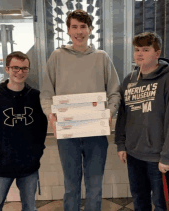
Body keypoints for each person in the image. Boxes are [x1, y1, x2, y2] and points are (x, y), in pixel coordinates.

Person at [40, 9, 121, 211]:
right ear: (68, 30)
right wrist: (51, 114)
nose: (79, 31)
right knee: (71, 186)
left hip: (96, 133)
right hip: (67, 133)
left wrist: (109, 112)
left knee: (94, 186)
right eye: (74, 27)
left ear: (90, 30)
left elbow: (115, 93)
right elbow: (46, 94)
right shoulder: (57, 57)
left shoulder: (102, 57)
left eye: (83, 27)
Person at [115, 32, 169, 211]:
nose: (139, 54)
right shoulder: (129, 80)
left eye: (146, 50)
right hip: (133, 155)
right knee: (139, 201)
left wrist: (167, 156)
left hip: (158, 158)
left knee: (161, 203)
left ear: (157, 53)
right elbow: (123, 116)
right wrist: (121, 144)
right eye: (137, 50)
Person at [0, 51, 48, 211]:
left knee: (30, 206)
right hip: (1, 164)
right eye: (15, 68)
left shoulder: (35, 97)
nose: (20, 72)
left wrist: (37, 151)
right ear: (7, 68)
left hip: (29, 165)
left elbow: (41, 128)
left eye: (24, 68)